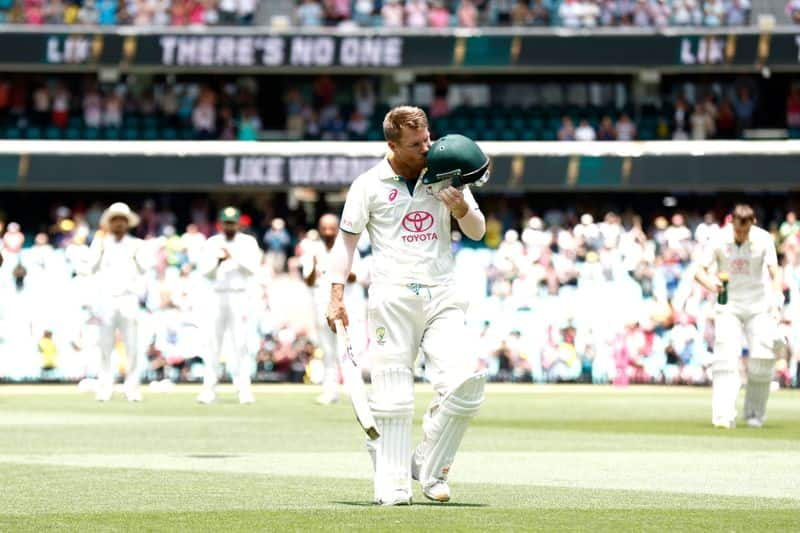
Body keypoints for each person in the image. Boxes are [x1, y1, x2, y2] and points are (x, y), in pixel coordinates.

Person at [326, 106, 488, 505]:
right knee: (393, 395)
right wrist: (335, 297)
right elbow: (345, 243)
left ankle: (429, 465)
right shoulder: (368, 184)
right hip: (392, 296)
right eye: (417, 145)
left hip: (443, 293)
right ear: (392, 145)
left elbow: (478, 231)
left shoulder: (447, 171)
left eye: (427, 138)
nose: (426, 148)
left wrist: (461, 208)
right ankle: (394, 481)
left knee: (465, 386)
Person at [694, 204, 783, 429]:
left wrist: (777, 299)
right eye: (738, 230)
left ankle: (754, 414)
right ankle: (723, 416)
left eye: (745, 230)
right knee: (725, 359)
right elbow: (699, 271)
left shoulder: (763, 239)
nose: (741, 235)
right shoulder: (719, 239)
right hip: (729, 304)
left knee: (763, 358)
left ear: (752, 223)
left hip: (758, 304)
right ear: (732, 222)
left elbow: (775, 272)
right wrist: (711, 284)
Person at [196, 207, 262, 405]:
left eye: (232, 223)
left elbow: (252, 268)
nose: (229, 226)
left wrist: (233, 257)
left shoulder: (247, 242)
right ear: (220, 223)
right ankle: (209, 389)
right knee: (212, 343)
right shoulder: (212, 243)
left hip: (239, 295)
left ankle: (243, 389)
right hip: (217, 295)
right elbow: (205, 272)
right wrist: (218, 260)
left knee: (241, 343)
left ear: (239, 224)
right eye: (226, 222)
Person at [86, 202, 148, 402]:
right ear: (110, 223)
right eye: (115, 220)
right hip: (107, 299)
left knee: (132, 345)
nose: (119, 224)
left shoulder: (136, 244)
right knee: (105, 345)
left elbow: (144, 269)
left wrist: (136, 257)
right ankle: (105, 387)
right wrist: (101, 251)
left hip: (129, 298)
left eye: (122, 220)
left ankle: (132, 388)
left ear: (127, 223)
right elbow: (90, 269)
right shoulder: (100, 243)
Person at [302, 213, 365, 405]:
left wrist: (338, 269)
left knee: (349, 350)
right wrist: (314, 266)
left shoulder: (348, 248)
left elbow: (356, 277)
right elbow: (308, 281)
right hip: (322, 307)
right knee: (328, 351)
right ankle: (330, 392)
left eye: (331, 228)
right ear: (320, 229)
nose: (328, 232)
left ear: (337, 228)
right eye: (324, 228)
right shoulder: (313, 249)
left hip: (346, 307)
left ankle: (355, 391)